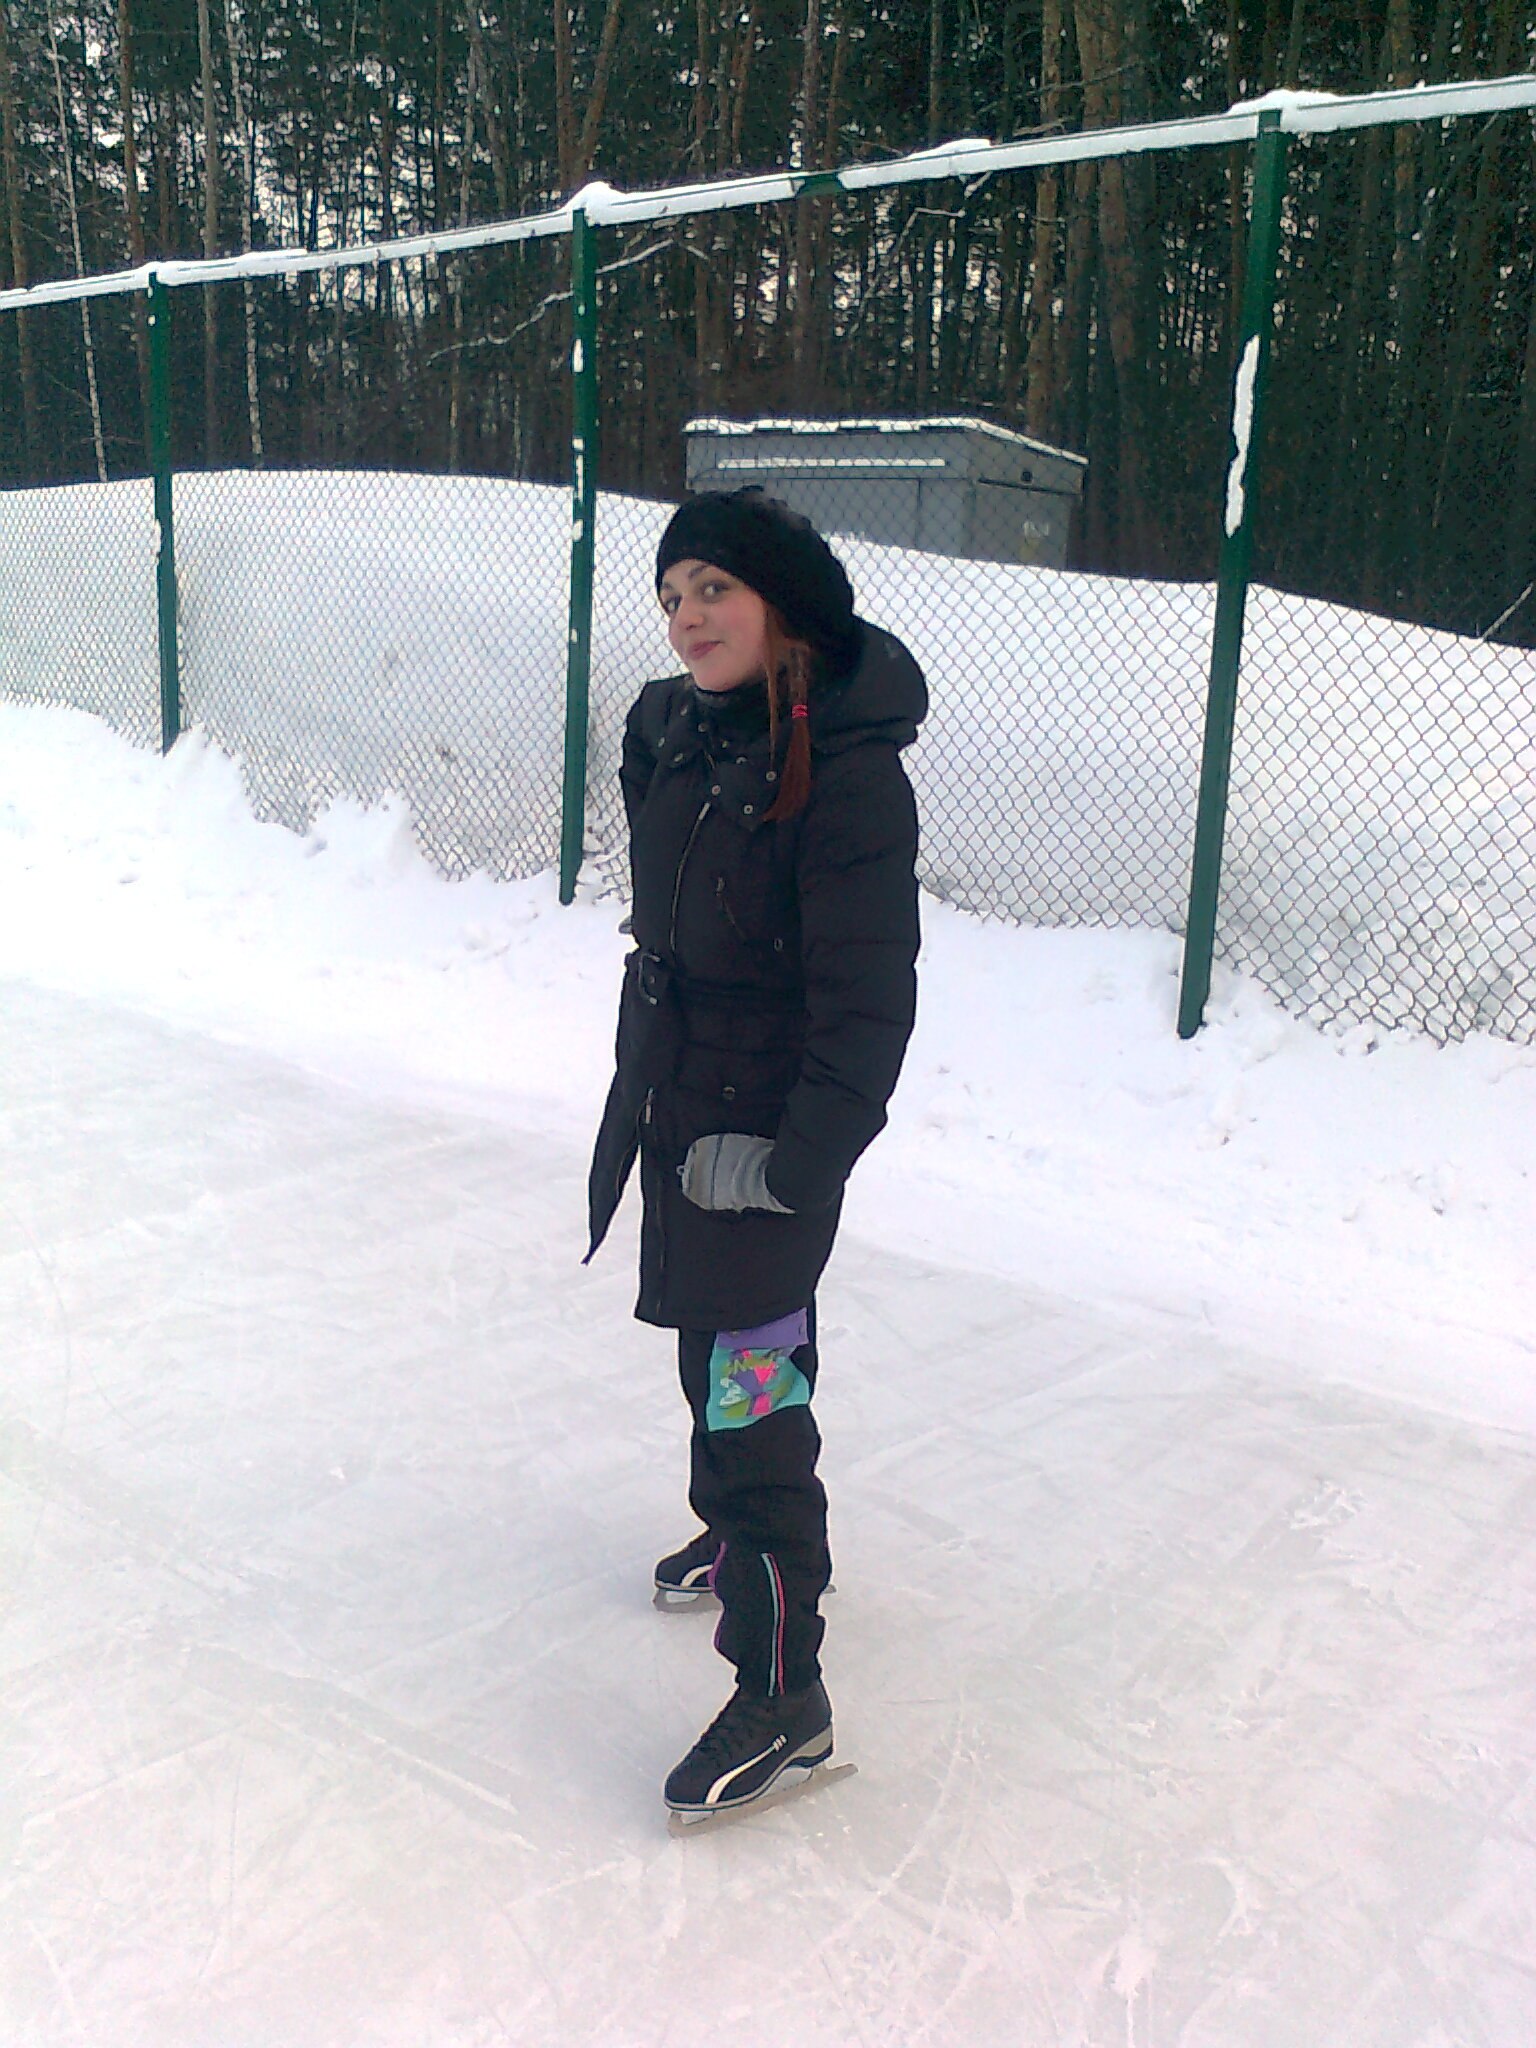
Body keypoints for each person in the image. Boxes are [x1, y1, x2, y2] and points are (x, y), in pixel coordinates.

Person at [586, 488, 926, 1821]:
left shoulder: (848, 775)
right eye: (672, 595)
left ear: (785, 602)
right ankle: (736, 1539)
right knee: (711, 1354)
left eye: (715, 588)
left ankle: (787, 1693)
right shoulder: (684, 730)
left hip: (766, 1139)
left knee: (752, 1406)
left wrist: (789, 1167)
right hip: (682, 1103)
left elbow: (869, 1009)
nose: (686, 617)